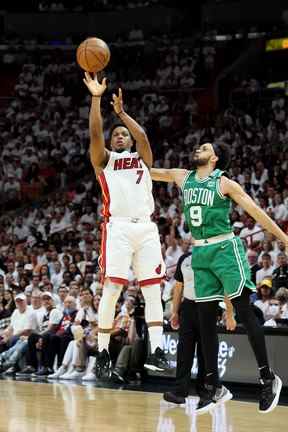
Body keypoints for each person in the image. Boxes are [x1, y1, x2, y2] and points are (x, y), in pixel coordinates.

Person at [151, 141, 288, 413]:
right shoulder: (183, 177)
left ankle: (268, 378)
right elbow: (150, 171)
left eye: (204, 148)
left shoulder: (224, 183)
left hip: (225, 249)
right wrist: (115, 162)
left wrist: (284, 238)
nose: (197, 149)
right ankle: (214, 386)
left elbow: (256, 212)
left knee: (244, 312)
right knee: (204, 321)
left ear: (214, 158)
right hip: (200, 253)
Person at [82, 72, 167, 377]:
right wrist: (96, 99)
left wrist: (121, 113)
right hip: (116, 228)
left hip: (146, 228)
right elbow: (94, 135)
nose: (120, 136)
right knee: (112, 290)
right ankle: (103, 350)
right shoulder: (104, 160)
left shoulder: (141, 157)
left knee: (153, 292)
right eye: (115, 133)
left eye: (123, 134)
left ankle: (157, 351)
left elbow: (143, 137)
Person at [163, 251, 235, 405]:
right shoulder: (184, 259)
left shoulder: (215, 257)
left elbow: (226, 285)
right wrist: (175, 312)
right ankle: (180, 392)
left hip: (208, 306)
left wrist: (229, 313)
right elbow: (178, 287)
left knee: (206, 351)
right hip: (188, 307)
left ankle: (206, 391)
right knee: (184, 350)